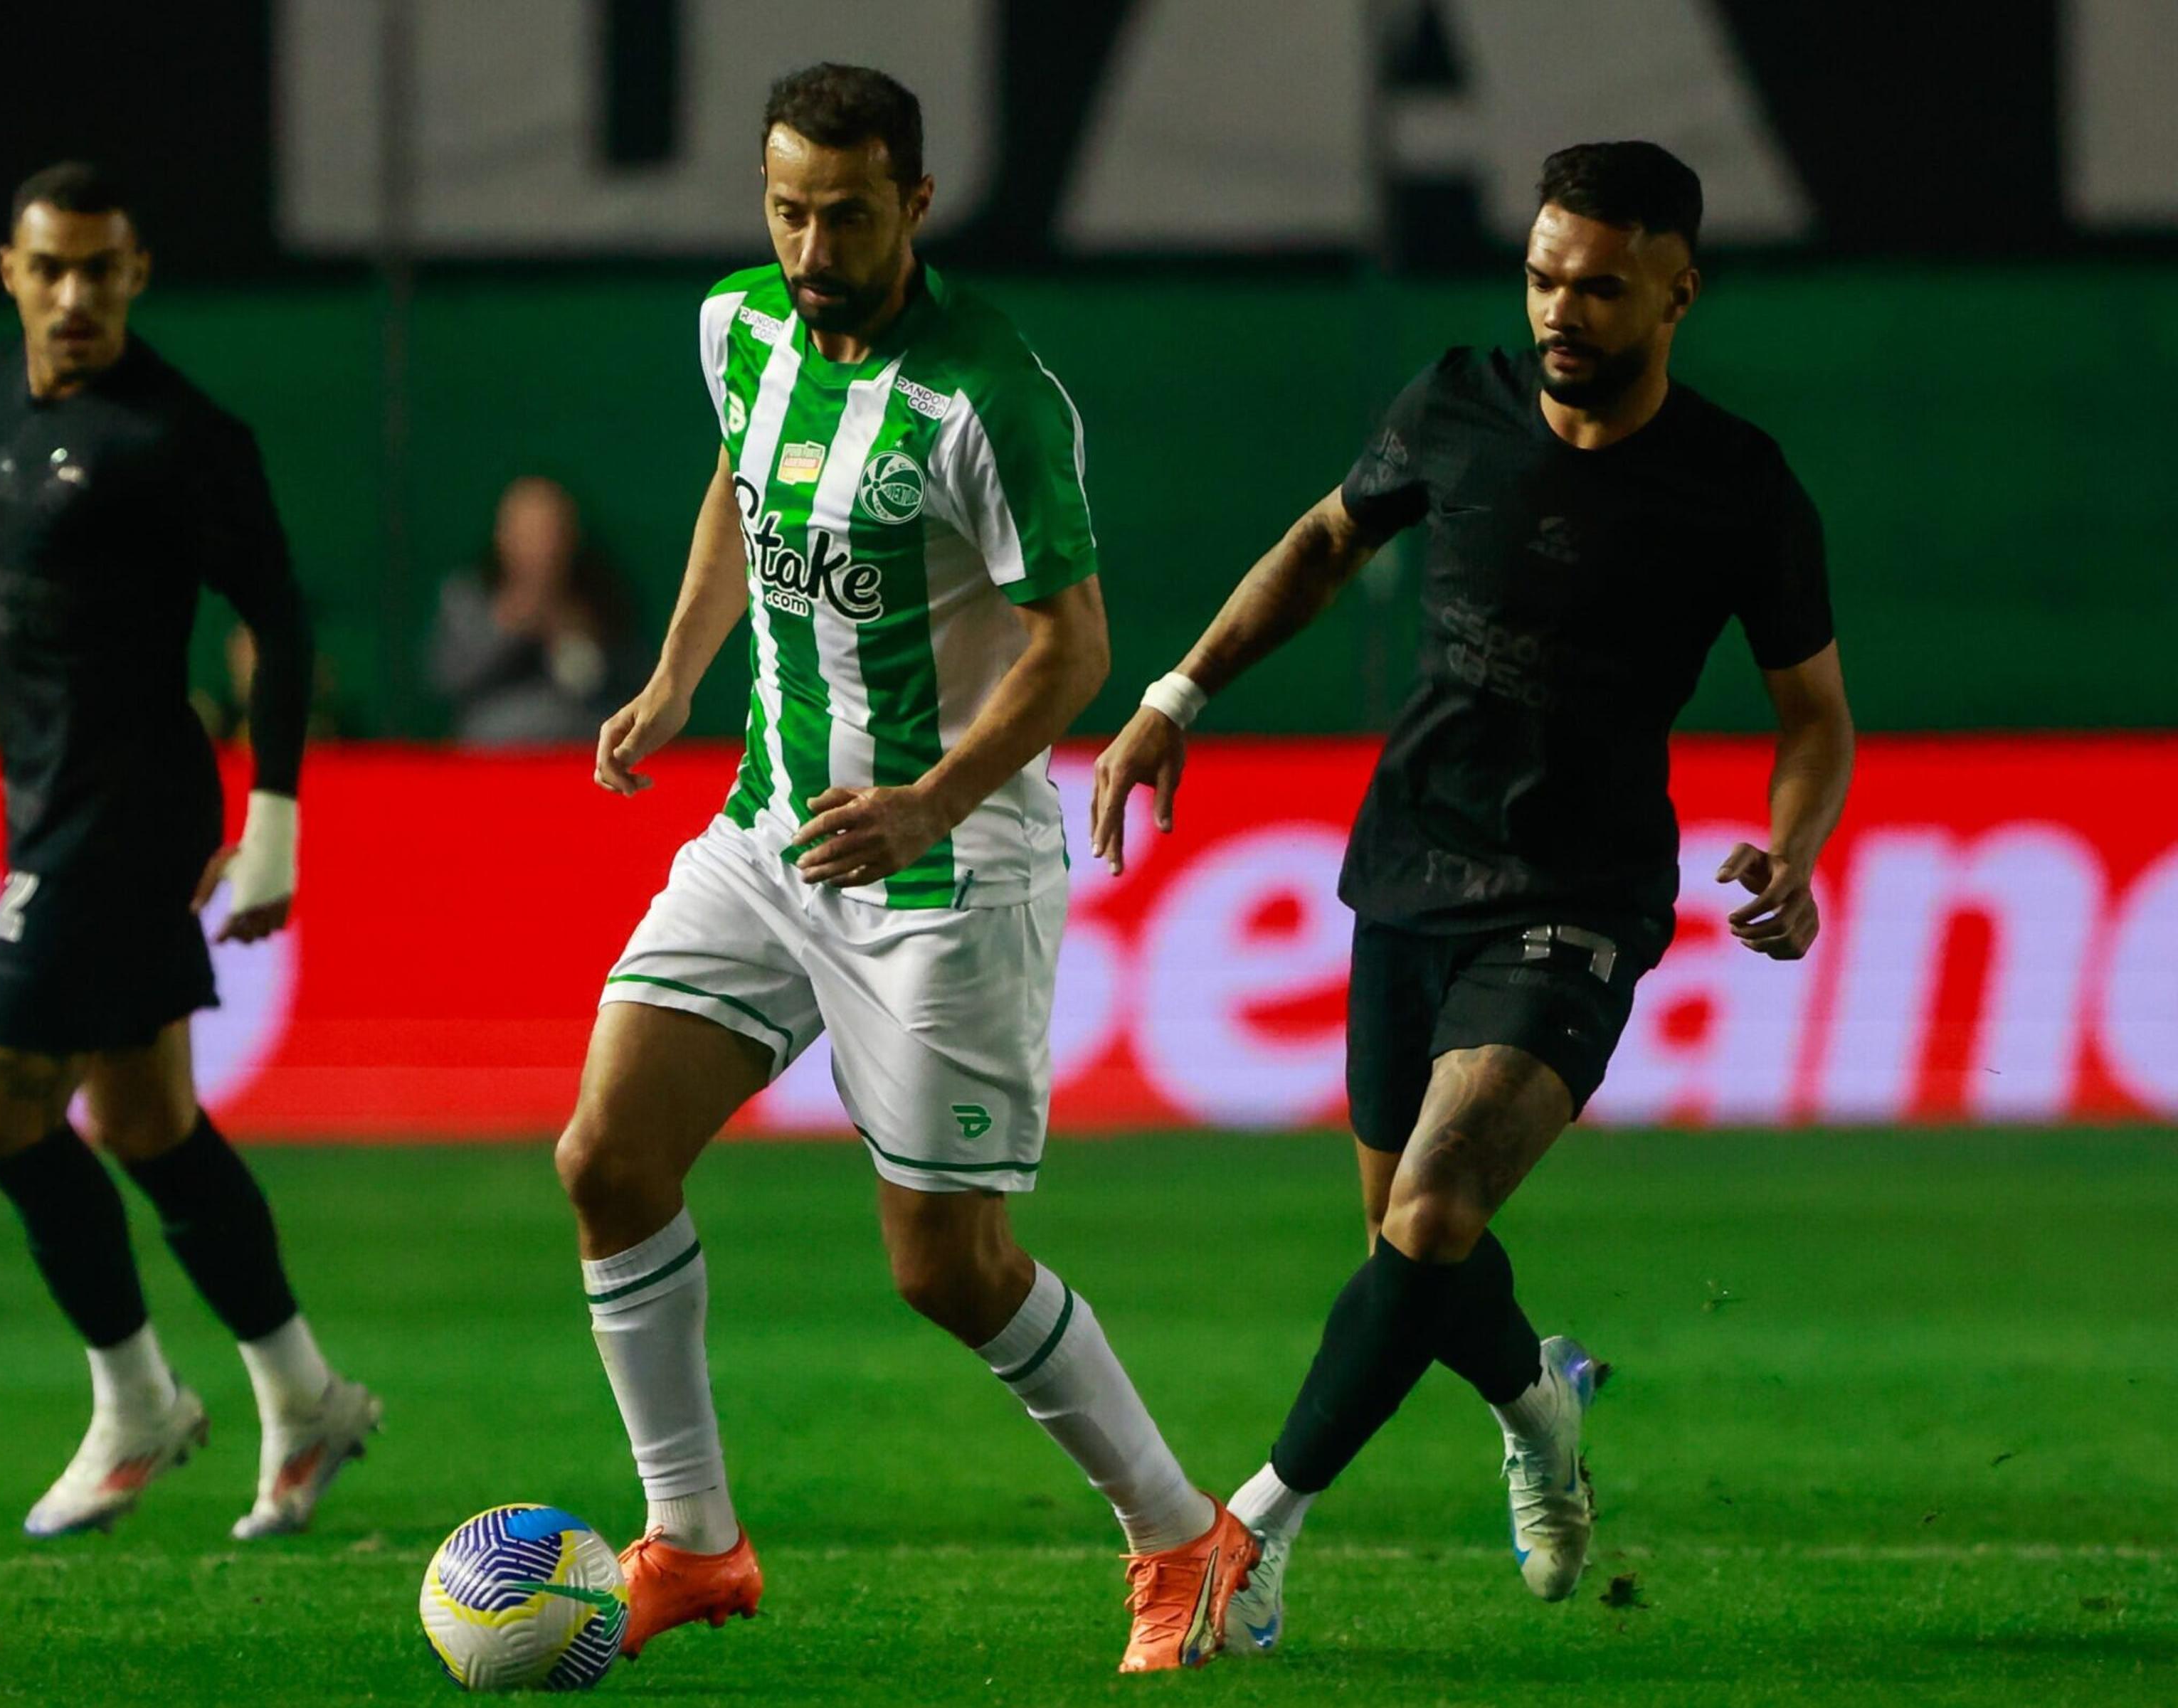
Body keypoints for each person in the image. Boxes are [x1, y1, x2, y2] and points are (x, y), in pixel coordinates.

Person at [1091, 142, 1856, 1653]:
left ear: (1678, 293)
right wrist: (1179, 691)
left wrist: (1797, 841)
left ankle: (1246, 1539)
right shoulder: (1456, 402)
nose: (1562, 311)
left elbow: (1814, 714)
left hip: (1578, 892)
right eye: (1544, 276)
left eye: (1602, 287)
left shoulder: (1735, 484)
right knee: (1404, 1242)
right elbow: (1324, 542)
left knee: (1432, 1214)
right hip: (1410, 870)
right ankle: (1539, 1400)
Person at [559, 64, 1259, 1675]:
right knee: (606, 1159)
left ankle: (1181, 1536)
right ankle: (693, 1540)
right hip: (769, 825)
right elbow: (740, 485)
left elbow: (1070, 649)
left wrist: (929, 803)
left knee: (945, 1268)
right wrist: (675, 679)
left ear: (914, 206)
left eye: (846, 213)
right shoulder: (737, 329)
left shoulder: (989, 397)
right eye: (786, 208)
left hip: (947, 872)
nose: (810, 243)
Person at [0, 162, 378, 1542]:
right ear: (9, 269)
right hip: (45, 792)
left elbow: (281, 622)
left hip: (128, 810)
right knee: (143, 1123)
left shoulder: (179, 437)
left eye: (102, 272)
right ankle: (303, 1397)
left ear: (138, 278)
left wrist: (276, 819)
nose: (74, 297)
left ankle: (135, 1404)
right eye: (50, 269)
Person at [427, 476, 647, 746]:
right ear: (503, 536)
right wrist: (505, 628)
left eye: (548, 532)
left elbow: (634, 688)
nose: (540, 546)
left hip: (581, 755)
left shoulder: (602, 601)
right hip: (489, 756)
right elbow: (444, 680)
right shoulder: (468, 597)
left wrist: (573, 637)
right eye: (527, 532)